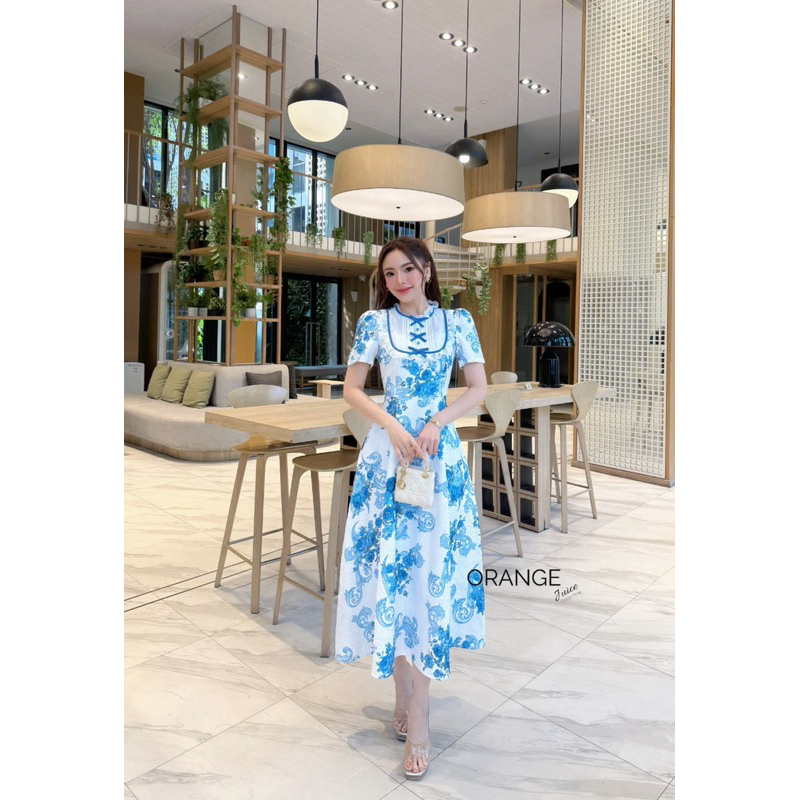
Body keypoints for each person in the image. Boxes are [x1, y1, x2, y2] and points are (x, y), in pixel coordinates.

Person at [334, 236, 488, 780]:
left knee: (429, 579)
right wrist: (393, 425)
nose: (398, 280)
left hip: (437, 462)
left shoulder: (459, 321)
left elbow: (477, 388)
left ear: (425, 268)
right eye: (389, 273)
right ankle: (401, 694)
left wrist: (436, 422)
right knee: (392, 576)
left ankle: (420, 714)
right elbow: (353, 389)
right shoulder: (374, 324)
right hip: (388, 460)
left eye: (406, 269)